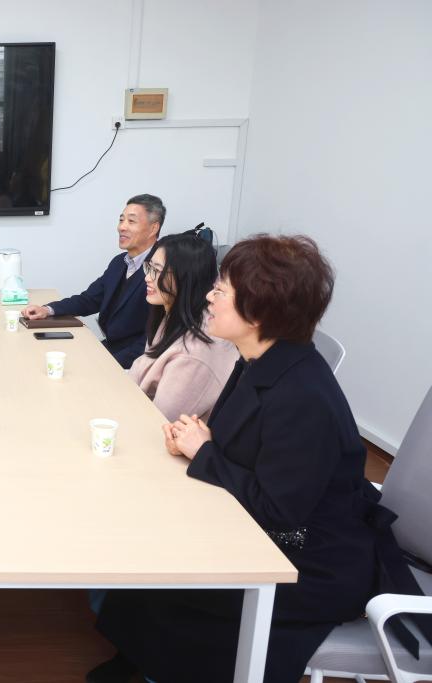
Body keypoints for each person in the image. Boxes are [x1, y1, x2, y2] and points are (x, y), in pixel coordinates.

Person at [89, 235, 423, 683]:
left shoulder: (302, 396)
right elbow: (246, 450)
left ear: (259, 312)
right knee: (151, 553)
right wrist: (201, 441)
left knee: (171, 580)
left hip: (311, 560)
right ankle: (137, 657)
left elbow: (280, 511)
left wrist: (205, 451)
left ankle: (154, 665)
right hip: (270, 528)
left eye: (220, 290)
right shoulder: (258, 360)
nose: (208, 296)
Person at [22, 194, 164, 368]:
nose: (121, 227)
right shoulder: (119, 262)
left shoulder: (162, 269)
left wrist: (107, 364)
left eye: (131, 221)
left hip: (134, 361)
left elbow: (153, 338)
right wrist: (47, 310)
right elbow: (89, 299)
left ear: (153, 228)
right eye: (121, 220)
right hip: (110, 348)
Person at [127, 232, 238, 421]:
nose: (147, 278)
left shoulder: (194, 351)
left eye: (157, 270)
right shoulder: (174, 315)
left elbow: (162, 422)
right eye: (149, 267)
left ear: (186, 277)